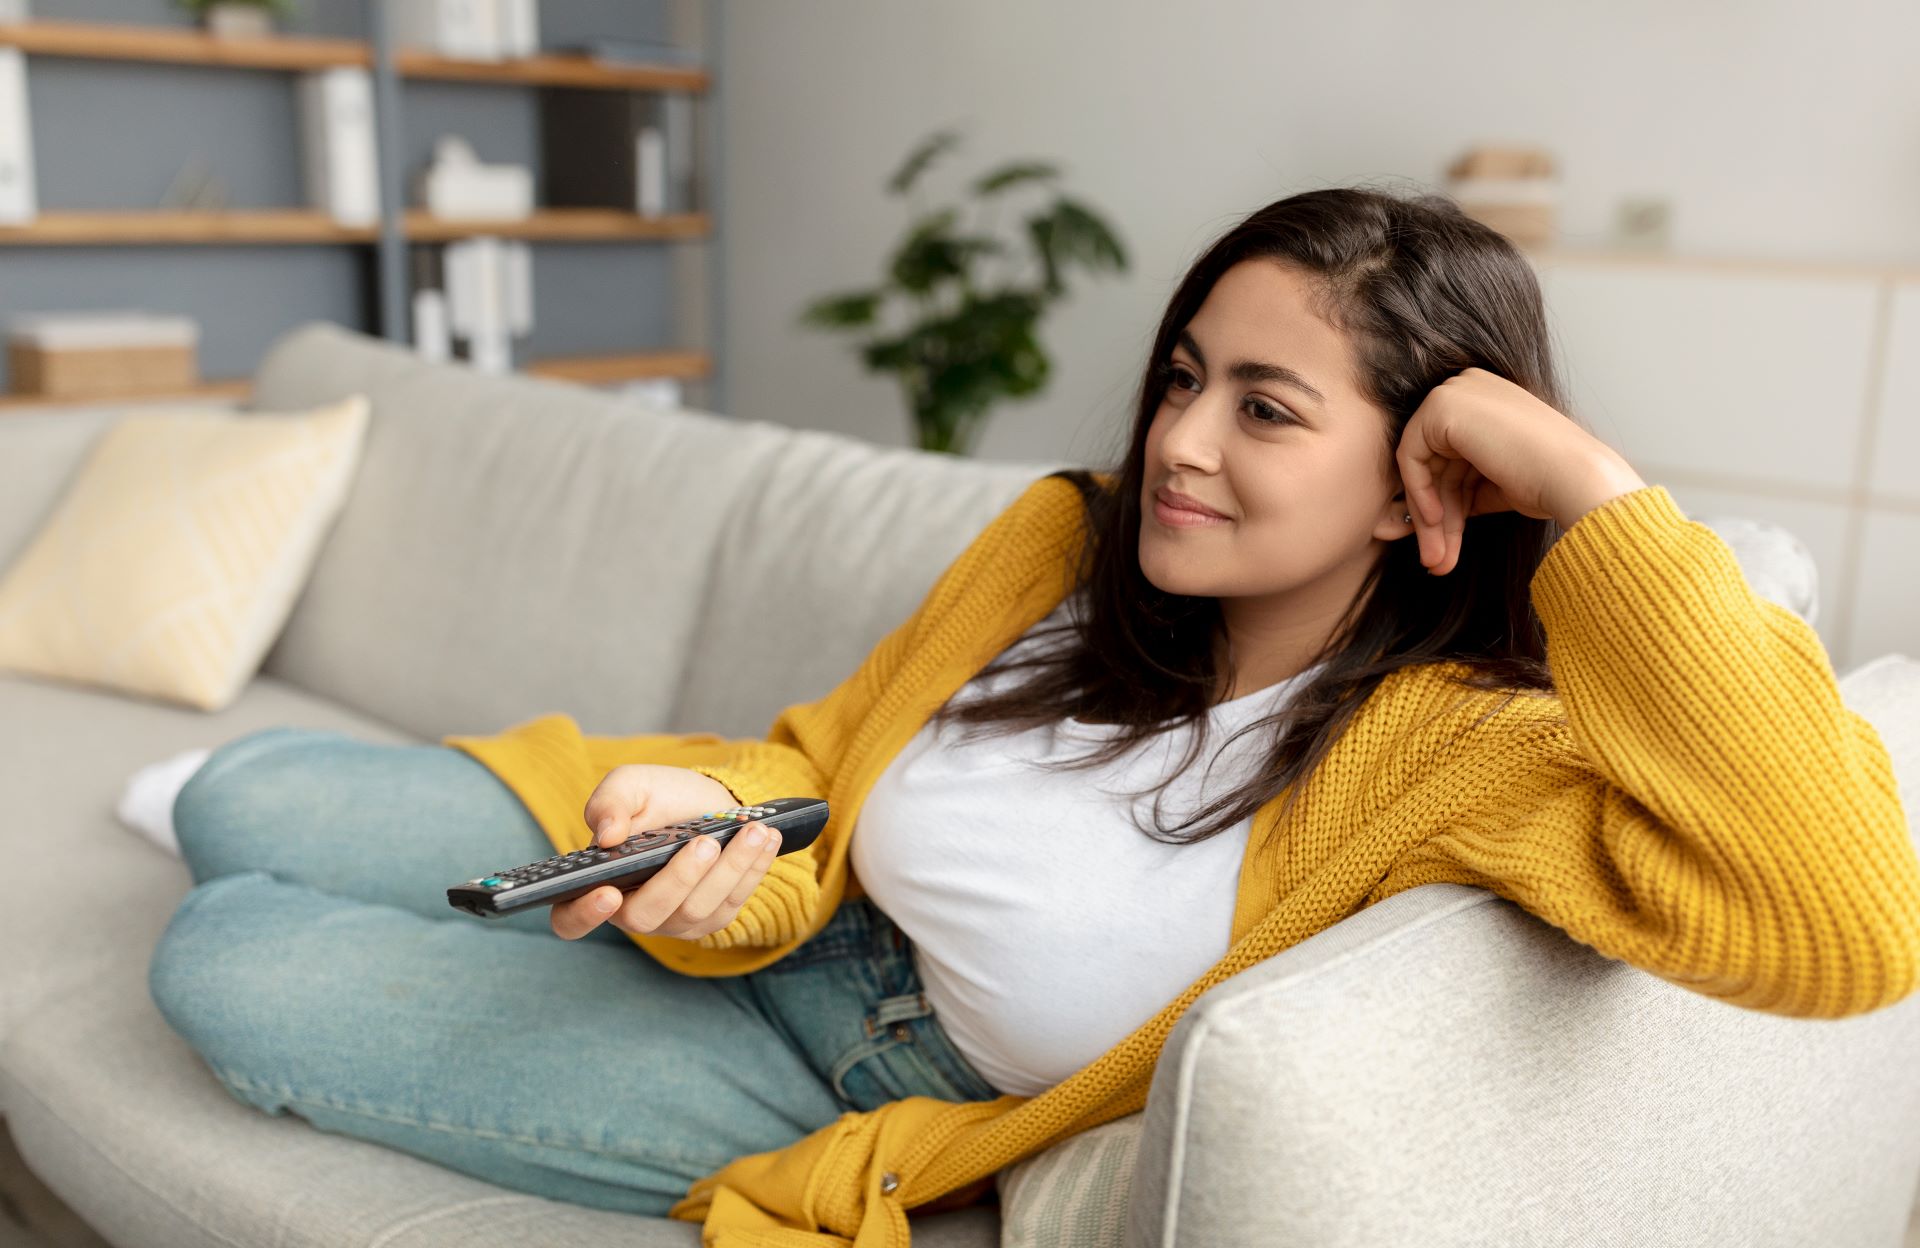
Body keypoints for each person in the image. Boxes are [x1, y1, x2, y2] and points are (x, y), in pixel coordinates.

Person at [147, 185, 1920, 1247]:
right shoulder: (1061, 541)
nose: (1182, 441)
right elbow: (830, 765)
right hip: (796, 906)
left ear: (1416, 479)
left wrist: (1584, 484)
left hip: (864, 1068)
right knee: (246, 795)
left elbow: (1852, 925)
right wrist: (721, 826)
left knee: (228, 960)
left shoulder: (1473, 749)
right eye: (1183, 376)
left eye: (1268, 409)